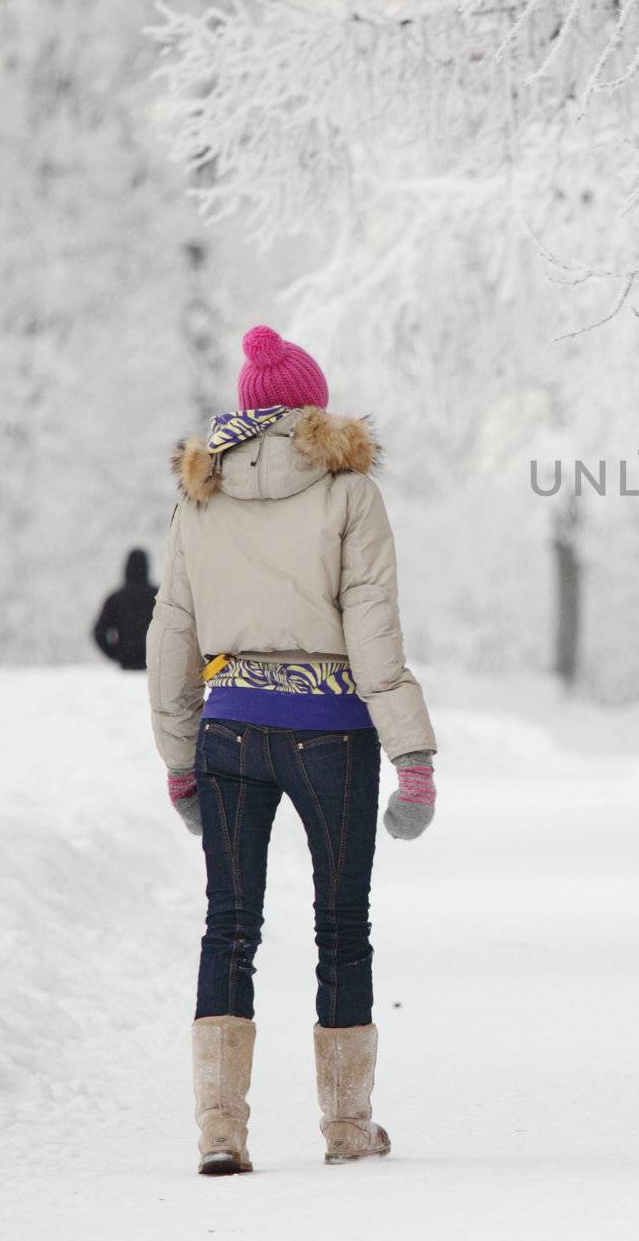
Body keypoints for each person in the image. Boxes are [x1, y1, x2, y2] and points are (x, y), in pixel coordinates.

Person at [147, 324, 438, 1176]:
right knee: (343, 927)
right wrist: (412, 757)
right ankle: (347, 1128)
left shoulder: (199, 496)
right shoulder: (349, 493)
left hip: (229, 731)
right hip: (332, 736)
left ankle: (219, 1130)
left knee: (228, 926)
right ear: (310, 406)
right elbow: (373, 629)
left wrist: (176, 759)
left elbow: (174, 630)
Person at [92, 548, 158, 670]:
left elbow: (100, 632)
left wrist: (115, 653)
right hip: (154, 662)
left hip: (127, 663)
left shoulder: (115, 598)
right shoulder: (160, 596)